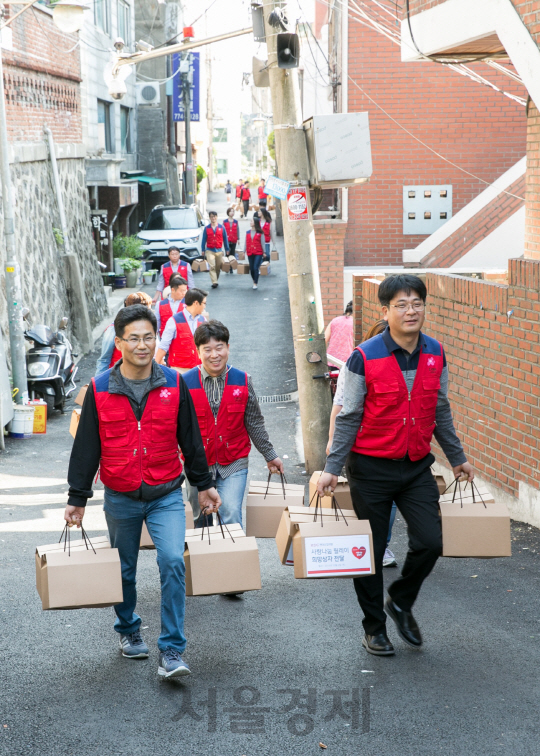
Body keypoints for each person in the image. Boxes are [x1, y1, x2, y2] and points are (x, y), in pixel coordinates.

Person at [318, 274, 474, 657]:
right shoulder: (364, 356)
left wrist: (458, 458)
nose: (411, 310)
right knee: (369, 551)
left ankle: (400, 600)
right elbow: (349, 415)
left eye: (417, 303)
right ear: (385, 311)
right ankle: (374, 628)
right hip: (370, 469)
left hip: (416, 466)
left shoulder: (436, 352)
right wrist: (332, 467)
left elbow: (440, 410)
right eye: (401, 305)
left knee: (430, 542)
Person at [65, 304, 221, 679]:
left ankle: (171, 650)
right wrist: (77, 497)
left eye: (148, 337)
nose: (142, 345)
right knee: (125, 570)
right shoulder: (100, 389)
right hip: (120, 495)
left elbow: (191, 438)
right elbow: (87, 446)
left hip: (166, 491)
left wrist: (204, 485)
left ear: (156, 340)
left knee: (171, 561)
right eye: (133, 338)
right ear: (118, 343)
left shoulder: (174, 382)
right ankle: (129, 629)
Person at [183, 320, 284, 527]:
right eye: (207, 349)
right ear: (198, 351)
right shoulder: (184, 383)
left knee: (230, 514)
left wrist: (270, 455)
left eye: (219, 348)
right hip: (197, 463)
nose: (214, 355)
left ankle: (231, 558)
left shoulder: (243, 380)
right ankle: (203, 559)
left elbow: (254, 422)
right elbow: (176, 428)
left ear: (227, 348)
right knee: (199, 519)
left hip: (233, 461)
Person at [326, 318, 398, 569]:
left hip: (396, 450)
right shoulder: (357, 364)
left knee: (390, 502)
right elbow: (340, 405)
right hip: (362, 447)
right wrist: (332, 442)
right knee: (368, 502)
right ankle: (367, 545)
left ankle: (381, 545)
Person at [96, 292, 153, 376]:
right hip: (119, 379)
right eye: (147, 309)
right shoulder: (113, 329)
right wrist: (98, 386)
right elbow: (104, 360)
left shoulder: (148, 327)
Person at [155, 288, 207, 373]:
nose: (205, 306)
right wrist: (155, 367)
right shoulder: (174, 321)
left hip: (200, 369)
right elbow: (163, 346)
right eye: (204, 303)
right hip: (179, 370)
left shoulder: (203, 320)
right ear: (196, 303)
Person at [201, 211, 229, 289]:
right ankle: (214, 282)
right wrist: (203, 249)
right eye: (211, 217)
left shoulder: (221, 227)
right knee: (212, 266)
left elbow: (225, 239)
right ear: (209, 218)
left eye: (214, 216)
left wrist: (227, 249)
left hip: (219, 250)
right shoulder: (207, 228)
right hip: (209, 250)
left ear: (216, 217)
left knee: (218, 266)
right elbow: (204, 239)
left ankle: (215, 278)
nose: (213, 218)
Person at [155, 275, 187, 339]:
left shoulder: (188, 304)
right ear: (173, 290)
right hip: (164, 339)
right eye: (181, 291)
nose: (184, 293)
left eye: (185, 290)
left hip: (183, 341)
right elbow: (156, 323)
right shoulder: (160, 304)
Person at [325, 301, 354, 368]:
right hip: (347, 362)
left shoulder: (334, 320)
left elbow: (325, 339)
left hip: (331, 360)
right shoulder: (355, 323)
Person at [245, 217, 264, 290]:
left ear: (255, 223)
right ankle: (254, 278)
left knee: (256, 267)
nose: (250, 222)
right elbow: (246, 243)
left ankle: (255, 283)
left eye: (251, 221)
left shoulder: (260, 233)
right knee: (252, 268)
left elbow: (262, 243)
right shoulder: (247, 232)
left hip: (258, 252)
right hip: (250, 252)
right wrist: (243, 252)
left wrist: (264, 252)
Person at [223, 207, 240, 271]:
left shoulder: (236, 221)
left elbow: (238, 230)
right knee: (227, 253)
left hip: (233, 240)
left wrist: (238, 238)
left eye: (233, 211)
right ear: (228, 213)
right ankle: (227, 266)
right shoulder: (224, 221)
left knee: (232, 254)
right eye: (231, 211)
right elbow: (222, 231)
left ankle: (231, 267)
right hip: (226, 241)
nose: (232, 213)